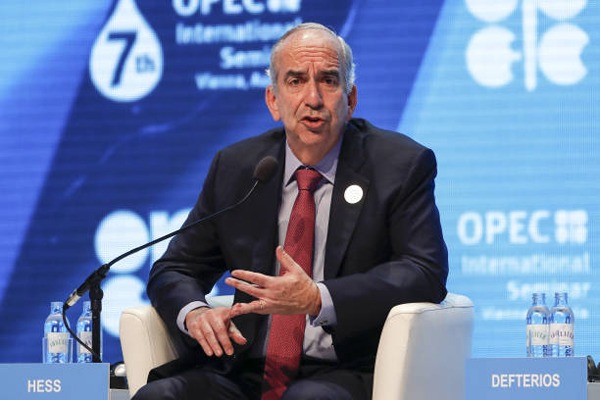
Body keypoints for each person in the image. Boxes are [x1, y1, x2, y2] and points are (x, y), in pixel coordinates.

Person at [134, 22, 448, 400]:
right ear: (273, 101)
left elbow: (423, 270)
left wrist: (319, 298)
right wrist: (196, 313)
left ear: (350, 100)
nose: (313, 98)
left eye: (329, 81)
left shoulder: (399, 165)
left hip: (342, 370)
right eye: (296, 81)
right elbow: (175, 268)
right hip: (242, 369)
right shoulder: (239, 167)